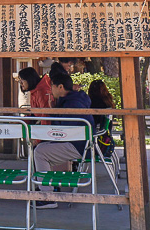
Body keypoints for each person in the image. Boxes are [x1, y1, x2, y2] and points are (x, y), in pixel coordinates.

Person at [32, 64, 95, 209]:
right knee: (41, 148)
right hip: (82, 143)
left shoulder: (71, 104)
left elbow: (62, 130)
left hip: (78, 145)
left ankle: (47, 196)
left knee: (40, 152)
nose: (50, 90)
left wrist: (53, 113)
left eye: (52, 86)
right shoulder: (75, 100)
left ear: (60, 87)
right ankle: (48, 187)